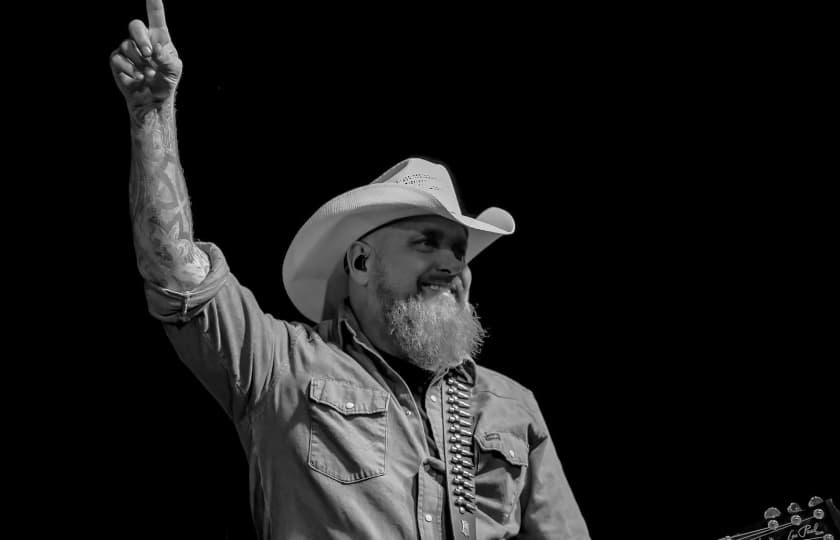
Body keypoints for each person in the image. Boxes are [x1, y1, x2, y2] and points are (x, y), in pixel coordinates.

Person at [111, 2, 591, 538]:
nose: (452, 264)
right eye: (428, 242)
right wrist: (152, 113)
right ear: (361, 262)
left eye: (460, 251)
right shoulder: (280, 367)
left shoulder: (512, 406)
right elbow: (176, 271)